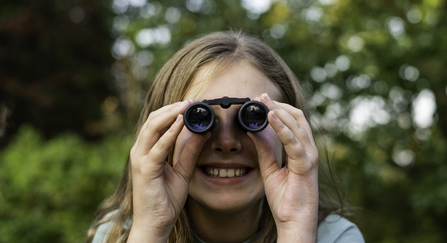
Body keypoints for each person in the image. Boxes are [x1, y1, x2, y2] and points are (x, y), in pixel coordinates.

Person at [87, 31, 364, 243]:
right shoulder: (119, 234)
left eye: (252, 118)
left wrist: (295, 228)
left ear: (291, 134)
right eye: (199, 118)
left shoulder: (332, 237)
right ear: (160, 135)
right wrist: (151, 229)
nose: (227, 142)